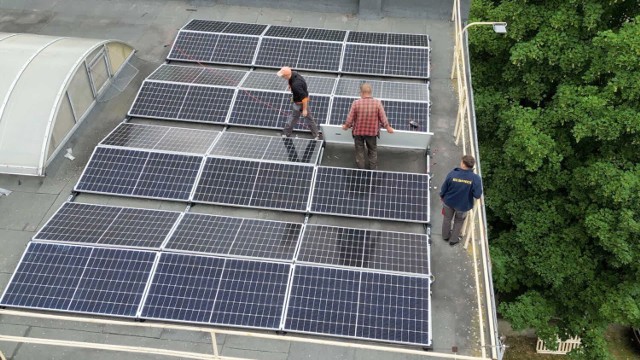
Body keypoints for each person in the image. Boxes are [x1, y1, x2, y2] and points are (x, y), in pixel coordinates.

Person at [341, 83, 394, 170]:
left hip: (358, 132)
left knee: (359, 152)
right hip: (372, 133)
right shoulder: (377, 103)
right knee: (372, 151)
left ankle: (361, 171)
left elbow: (350, 118)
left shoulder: (356, 103)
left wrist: (346, 126)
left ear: (361, 92)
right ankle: (372, 170)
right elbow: (383, 117)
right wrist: (388, 127)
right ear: (370, 92)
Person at [440, 155, 483, 246]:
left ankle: (445, 236)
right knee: (459, 221)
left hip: (449, 202)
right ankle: (453, 240)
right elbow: (477, 195)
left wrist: (442, 196)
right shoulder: (475, 178)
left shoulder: (452, 173)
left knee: (447, 219)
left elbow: (444, 188)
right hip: (463, 205)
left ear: (463, 164)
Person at [277, 66, 320, 140]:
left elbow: (304, 98)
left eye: (283, 76)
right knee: (296, 117)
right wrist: (289, 85)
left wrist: (305, 109)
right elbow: (290, 80)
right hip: (297, 99)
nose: (282, 77)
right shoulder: (293, 74)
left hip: (300, 103)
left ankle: (316, 135)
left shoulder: (296, 85)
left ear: (287, 75)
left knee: (300, 118)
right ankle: (316, 134)